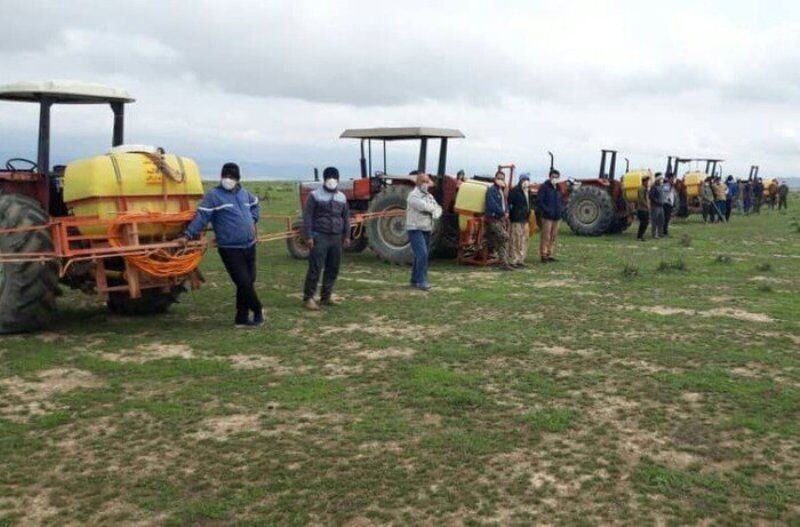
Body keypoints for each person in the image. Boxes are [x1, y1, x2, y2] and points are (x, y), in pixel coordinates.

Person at [178, 163, 263, 328]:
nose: (227, 179)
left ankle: (241, 318)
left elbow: (255, 204)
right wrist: (187, 235)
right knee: (244, 282)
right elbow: (201, 217)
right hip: (230, 248)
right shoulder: (214, 196)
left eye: (231, 177)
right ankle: (258, 309)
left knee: (248, 282)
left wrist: (253, 218)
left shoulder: (244, 194)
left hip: (249, 245)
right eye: (225, 176)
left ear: (238, 179)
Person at [301, 167, 350, 310]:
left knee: (333, 268)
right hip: (319, 236)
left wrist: (347, 236)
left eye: (334, 177)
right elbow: (308, 217)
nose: (332, 180)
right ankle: (308, 297)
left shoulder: (342, 197)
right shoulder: (314, 195)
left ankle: (326, 296)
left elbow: (346, 218)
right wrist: (308, 236)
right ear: (324, 179)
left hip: (336, 237)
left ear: (338, 179)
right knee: (315, 268)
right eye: (329, 177)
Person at [405, 173, 442, 290]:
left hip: (426, 228)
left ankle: (414, 279)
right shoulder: (413, 196)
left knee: (419, 255)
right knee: (422, 254)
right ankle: (422, 280)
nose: (426, 184)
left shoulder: (429, 196)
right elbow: (424, 207)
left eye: (427, 181)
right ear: (418, 182)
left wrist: (435, 210)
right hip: (415, 228)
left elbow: (438, 208)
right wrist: (433, 209)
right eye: (423, 182)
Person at [484, 171, 514, 270]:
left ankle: (504, 263)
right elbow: (492, 204)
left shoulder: (502, 191)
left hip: (500, 219)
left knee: (501, 241)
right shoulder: (491, 190)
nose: (501, 180)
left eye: (502, 178)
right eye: (499, 178)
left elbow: (505, 203)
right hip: (492, 219)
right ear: (495, 178)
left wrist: (507, 212)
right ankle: (489, 244)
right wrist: (502, 212)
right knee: (504, 236)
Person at [538, 169, 563, 262]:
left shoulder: (558, 188)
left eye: (557, 177)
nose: (555, 179)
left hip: (557, 216)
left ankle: (550, 253)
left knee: (553, 236)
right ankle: (543, 254)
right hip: (547, 216)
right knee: (546, 236)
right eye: (553, 177)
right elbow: (540, 201)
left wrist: (561, 210)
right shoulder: (544, 187)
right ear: (550, 177)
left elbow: (561, 200)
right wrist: (547, 210)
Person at [508, 174, 533, 267]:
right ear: (520, 181)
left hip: (525, 219)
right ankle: (514, 259)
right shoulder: (514, 191)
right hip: (516, 219)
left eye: (527, 180)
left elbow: (529, 204)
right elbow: (510, 204)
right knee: (516, 239)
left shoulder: (528, 192)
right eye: (524, 180)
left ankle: (521, 259)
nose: (526, 182)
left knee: (525, 239)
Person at [649, 174, 665, 238]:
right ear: (658, 180)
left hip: (661, 206)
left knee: (661, 220)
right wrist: (657, 201)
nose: (662, 180)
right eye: (661, 179)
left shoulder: (661, 186)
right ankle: (654, 234)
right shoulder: (653, 187)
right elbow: (651, 196)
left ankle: (660, 233)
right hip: (655, 206)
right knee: (654, 220)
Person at [635, 175, 650, 242]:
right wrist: (647, 205)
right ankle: (639, 236)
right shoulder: (641, 188)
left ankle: (640, 236)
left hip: (645, 209)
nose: (647, 183)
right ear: (643, 182)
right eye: (647, 181)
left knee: (645, 222)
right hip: (642, 209)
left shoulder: (645, 188)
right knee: (644, 223)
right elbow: (641, 199)